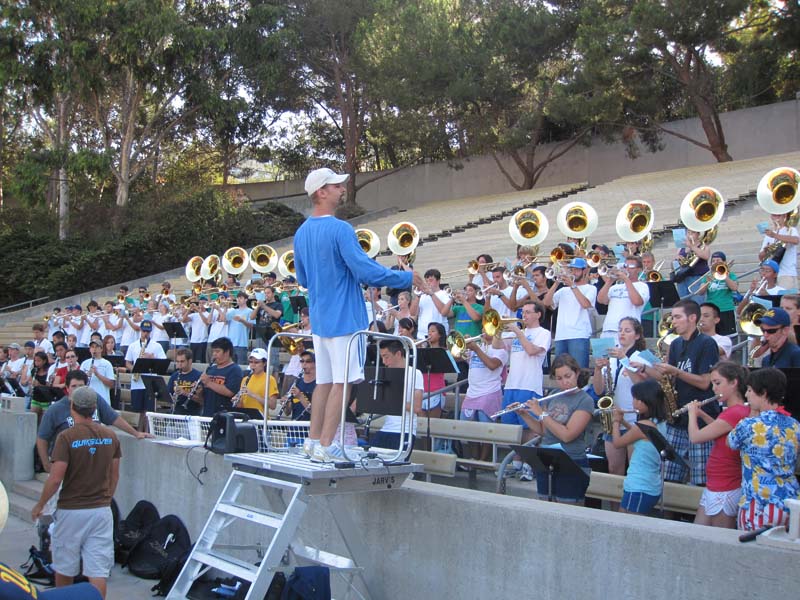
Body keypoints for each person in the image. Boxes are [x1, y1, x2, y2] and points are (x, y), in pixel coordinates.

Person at [293, 167, 421, 462]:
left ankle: (314, 443)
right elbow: (364, 270)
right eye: (336, 185)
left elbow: (302, 278)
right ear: (321, 192)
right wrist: (404, 278)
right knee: (343, 383)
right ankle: (327, 445)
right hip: (345, 318)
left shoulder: (301, 233)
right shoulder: (340, 229)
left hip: (321, 319)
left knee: (324, 383)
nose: (341, 189)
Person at [31, 386, 120, 599]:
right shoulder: (111, 436)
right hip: (101, 510)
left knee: (64, 568)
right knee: (97, 571)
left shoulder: (66, 437)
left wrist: (40, 504)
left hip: (71, 510)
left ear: (72, 407)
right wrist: (106, 498)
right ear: (94, 408)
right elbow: (114, 475)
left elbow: (55, 478)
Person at [640, 299, 719, 485]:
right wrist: (648, 370)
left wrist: (675, 371)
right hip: (677, 417)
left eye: (677, 317)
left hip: (700, 417)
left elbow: (704, 382)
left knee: (701, 479)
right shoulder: (675, 344)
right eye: (672, 317)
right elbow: (671, 379)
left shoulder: (707, 343)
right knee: (668, 476)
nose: (673, 322)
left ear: (692, 318)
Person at [513, 354, 595, 504]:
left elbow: (567, 435)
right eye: (559, 378)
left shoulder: (585, 400)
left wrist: (542, 414)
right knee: (545, 507)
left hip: (572, 462)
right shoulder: (552, 395)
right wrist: (524, 414)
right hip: (547, 460)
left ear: (576, 373)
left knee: (568, 510)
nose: (565, 382)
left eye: (568, 376)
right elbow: (544, 431)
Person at [728, 368, 800, 531]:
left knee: (752, 552)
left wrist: (752, 413)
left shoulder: (748, 425)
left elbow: (730, 442)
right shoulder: (795, 425)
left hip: (758, 504)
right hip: (790, 501)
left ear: (763, 393)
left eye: (750, 390)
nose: (746, 395)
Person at [36, 371, 149, 474]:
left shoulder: (95, 399)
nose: (77, 389)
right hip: (67, 463)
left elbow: (114, 418)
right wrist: (46, 465)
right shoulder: (55, 409)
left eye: (81, 386)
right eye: (74, 386)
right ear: (67, 388)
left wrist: (136, 433)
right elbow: (42, 438)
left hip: (92, 461)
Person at [686, 361, 751, 529]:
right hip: (716, 483)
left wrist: (692, 414)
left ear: (734, 383)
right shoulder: (732, 412)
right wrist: (702, 414)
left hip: (725, 485)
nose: (714, 389)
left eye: (718, 383)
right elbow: (721, 431)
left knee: (719, 540)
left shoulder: (735, 412)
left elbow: (695, 437)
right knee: (698, 535)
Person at [494, 300, 551, 479]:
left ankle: (529, 465)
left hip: (529, 385)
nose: (523, 316)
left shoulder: (544, 333)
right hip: (512, 384)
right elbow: (497, 346)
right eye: (523, 312)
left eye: (527, 312)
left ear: (538, 314)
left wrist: (518, 333)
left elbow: (532, 351)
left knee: (529, 429)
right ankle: (517, 462)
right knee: (512, 427)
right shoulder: (520, 333)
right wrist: (498, 330)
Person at [592, 317, 648, 477]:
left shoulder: (641, 357)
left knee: (633, 471)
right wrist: (597, 370)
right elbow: (598, 390)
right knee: (614, 470)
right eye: (620, 330)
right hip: (613, 419)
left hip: (633, 420)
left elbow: (640, 385)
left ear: (637, 336)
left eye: (627, 330)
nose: (622, 333)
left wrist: (624, 360)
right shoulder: (610, 356)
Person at [610, 379, 669, 515]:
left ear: (647, 401)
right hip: (648, 484)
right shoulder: (659, 423)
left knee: (628, 526)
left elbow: (617, 443)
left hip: (639, 485)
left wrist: (616, 421)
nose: (633, 402)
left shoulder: (643, 426)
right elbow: (639, 434)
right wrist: (624, 420)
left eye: (636, 399)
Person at [461, 332, 507, 462]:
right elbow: (458, 357)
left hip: (490, 392)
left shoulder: (500, 350)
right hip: (472, 393)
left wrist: (476, 348)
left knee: (486, 430)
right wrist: (462, 345)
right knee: (467, 428)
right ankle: (475, 458)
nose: (483, 331)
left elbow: (492, 365)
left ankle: (483, 461)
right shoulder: (478, 347)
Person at [370, 339, 424, 452]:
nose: (384, 362)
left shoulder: (415, 373)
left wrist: (393, 398)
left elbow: (417, 407)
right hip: (387, 428)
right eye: (382, 357)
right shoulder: (385, 374)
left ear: (398, 354)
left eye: (386, 357)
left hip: (404, 430)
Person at [543, 257, 596, 368]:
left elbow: (585, 304)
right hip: (561, 335)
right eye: (572, 269)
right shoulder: (563, 290)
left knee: (579, 369)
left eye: (577, 270)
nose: (574, 272)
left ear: (584, 270)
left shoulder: (590, 288)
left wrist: (572, 285)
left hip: (579, 335)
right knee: (561, 370)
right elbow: (546, 303)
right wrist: (556, 283)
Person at [124, 320, 166, 430]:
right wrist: (135, 368)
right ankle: (138, 431)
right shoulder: (133, 346)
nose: (145, 334)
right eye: (143, 331)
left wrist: (152, 358)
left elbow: (163, 363)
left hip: (150, 383)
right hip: (137, 382)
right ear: (140, 331)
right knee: (138, 410)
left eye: (147, 331)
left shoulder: (156, 346)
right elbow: (127, 362)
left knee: (148, 411)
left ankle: (147, 430)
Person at [596, 256, 649, 340]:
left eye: (631, 267)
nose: (627, 269)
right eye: (625, 266)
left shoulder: (642, 286)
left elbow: (637, 301)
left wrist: (625, 279)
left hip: (627, 331)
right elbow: (601, 300)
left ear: (639, 270)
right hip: (607, 329)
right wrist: (610, 281)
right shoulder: (615, 286)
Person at [199, 337, 244, 416]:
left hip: (224, 415)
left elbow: (230, 392)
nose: (214, 354)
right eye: (213, 351)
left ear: (227, 352)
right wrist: (199, 391)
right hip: (207, 413)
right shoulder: (210, 369)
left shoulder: (235, 370)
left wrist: (209, 383)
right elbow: (203, 397)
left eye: (217, 351)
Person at [759, 211, 799, 290]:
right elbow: (761, 258)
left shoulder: (790, 229)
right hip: (771, 276)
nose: (776, 217)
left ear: (784, 215)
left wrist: (775, 235)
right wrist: (765, 250)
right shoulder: (768, 235)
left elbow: (796, 240)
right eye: (774, 214)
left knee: (786, 300)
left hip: (786, 273)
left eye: (779, 214)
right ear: (771, 216)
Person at [235, 348, 279, 417]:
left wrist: (253, 394)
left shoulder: (269, 379)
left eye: (256, 362)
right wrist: (237, 401)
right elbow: (241, 405)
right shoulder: (245, 379)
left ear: (264, 363)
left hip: (261, 421)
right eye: (251, 362)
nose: (253, 365)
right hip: (246, 419)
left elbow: (273, 405)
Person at [410, 268, 450, 340]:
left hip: (439, 336)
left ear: (438, 281)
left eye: (431, 280)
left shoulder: (444, 294)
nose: (428, 283)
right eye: (426, 281)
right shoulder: (421, 295)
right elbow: (412, 313)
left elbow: (444, 312)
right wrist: (418, 296)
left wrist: (432, 294)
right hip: (422, 335)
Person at [167, 348, 203, 415]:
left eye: (182, 361)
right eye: (178, 362)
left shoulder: (198, 376)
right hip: (176, 412)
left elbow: (201, 401)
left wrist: (185, 393)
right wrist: (173, 397)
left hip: (192, 414)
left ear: (190, 361)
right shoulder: (174, 376)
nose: (179, 364)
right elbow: (168, 395)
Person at [80, 340, 115, 404]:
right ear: (90, 349)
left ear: (101, 349)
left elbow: (111, 384)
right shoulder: (84, 363)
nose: (94, 349)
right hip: (87, 398)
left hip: (102, 398)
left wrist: (97, 374)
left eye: (96, 347)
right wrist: (85, 376)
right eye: (92, 347)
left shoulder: (107, 364)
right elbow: (79, 382)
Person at [286, 349, 316, 421]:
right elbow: (288, 412)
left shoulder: (320, 386)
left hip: (310, 429)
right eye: (302, 361)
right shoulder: (297, 383)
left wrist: (300, 396)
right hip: (294, 429)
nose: (304, 364)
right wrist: (287, 403)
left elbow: (316, 413)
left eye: (308, 361)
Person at [226, 293, 255, 366]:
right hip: (231, 344)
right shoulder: (233, 311)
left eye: (241, 298)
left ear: (246, 300)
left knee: (241, 367)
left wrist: (241, 320)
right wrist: (226, 307)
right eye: (237, 298)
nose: (238, 299)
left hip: (242, 344)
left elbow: (252, 326)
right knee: (230, 366)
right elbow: (223, 320)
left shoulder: (250, 311)